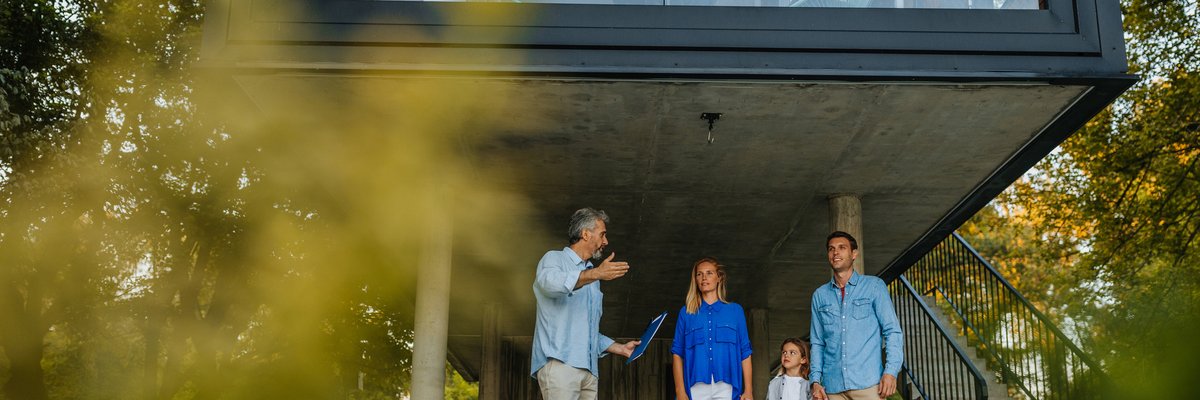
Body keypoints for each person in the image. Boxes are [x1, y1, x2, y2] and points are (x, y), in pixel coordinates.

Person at [531, 208, 641, 400]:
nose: (605, 241)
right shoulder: (554, 259)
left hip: (589, 371)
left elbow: (586, 330)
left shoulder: (592, 278)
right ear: (585, 234)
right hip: (560, 364)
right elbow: (549, 284)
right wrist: (596, 274)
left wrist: (619, 348)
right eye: (602, 234)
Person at [809, 231, 903, 400]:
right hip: (832, 387)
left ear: (854, 254)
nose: (835, 252)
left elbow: (892, 331)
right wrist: (815, 381)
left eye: (841, 248)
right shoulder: (820, 295)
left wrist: (891, 371)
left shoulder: (874, 286)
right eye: (831, 249)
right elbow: (817, 342)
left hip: (868, 385)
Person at [671, 257, 754, 400]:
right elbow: (677, 354)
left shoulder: (735, 311)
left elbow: (745, 352)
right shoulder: (686, 313)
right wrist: (680, 391)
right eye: (699, 274)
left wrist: (749, 390)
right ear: (695, 280)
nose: (704, 278)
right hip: (695, 388)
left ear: (719, 278)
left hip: (727, 387)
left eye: (709, 273)